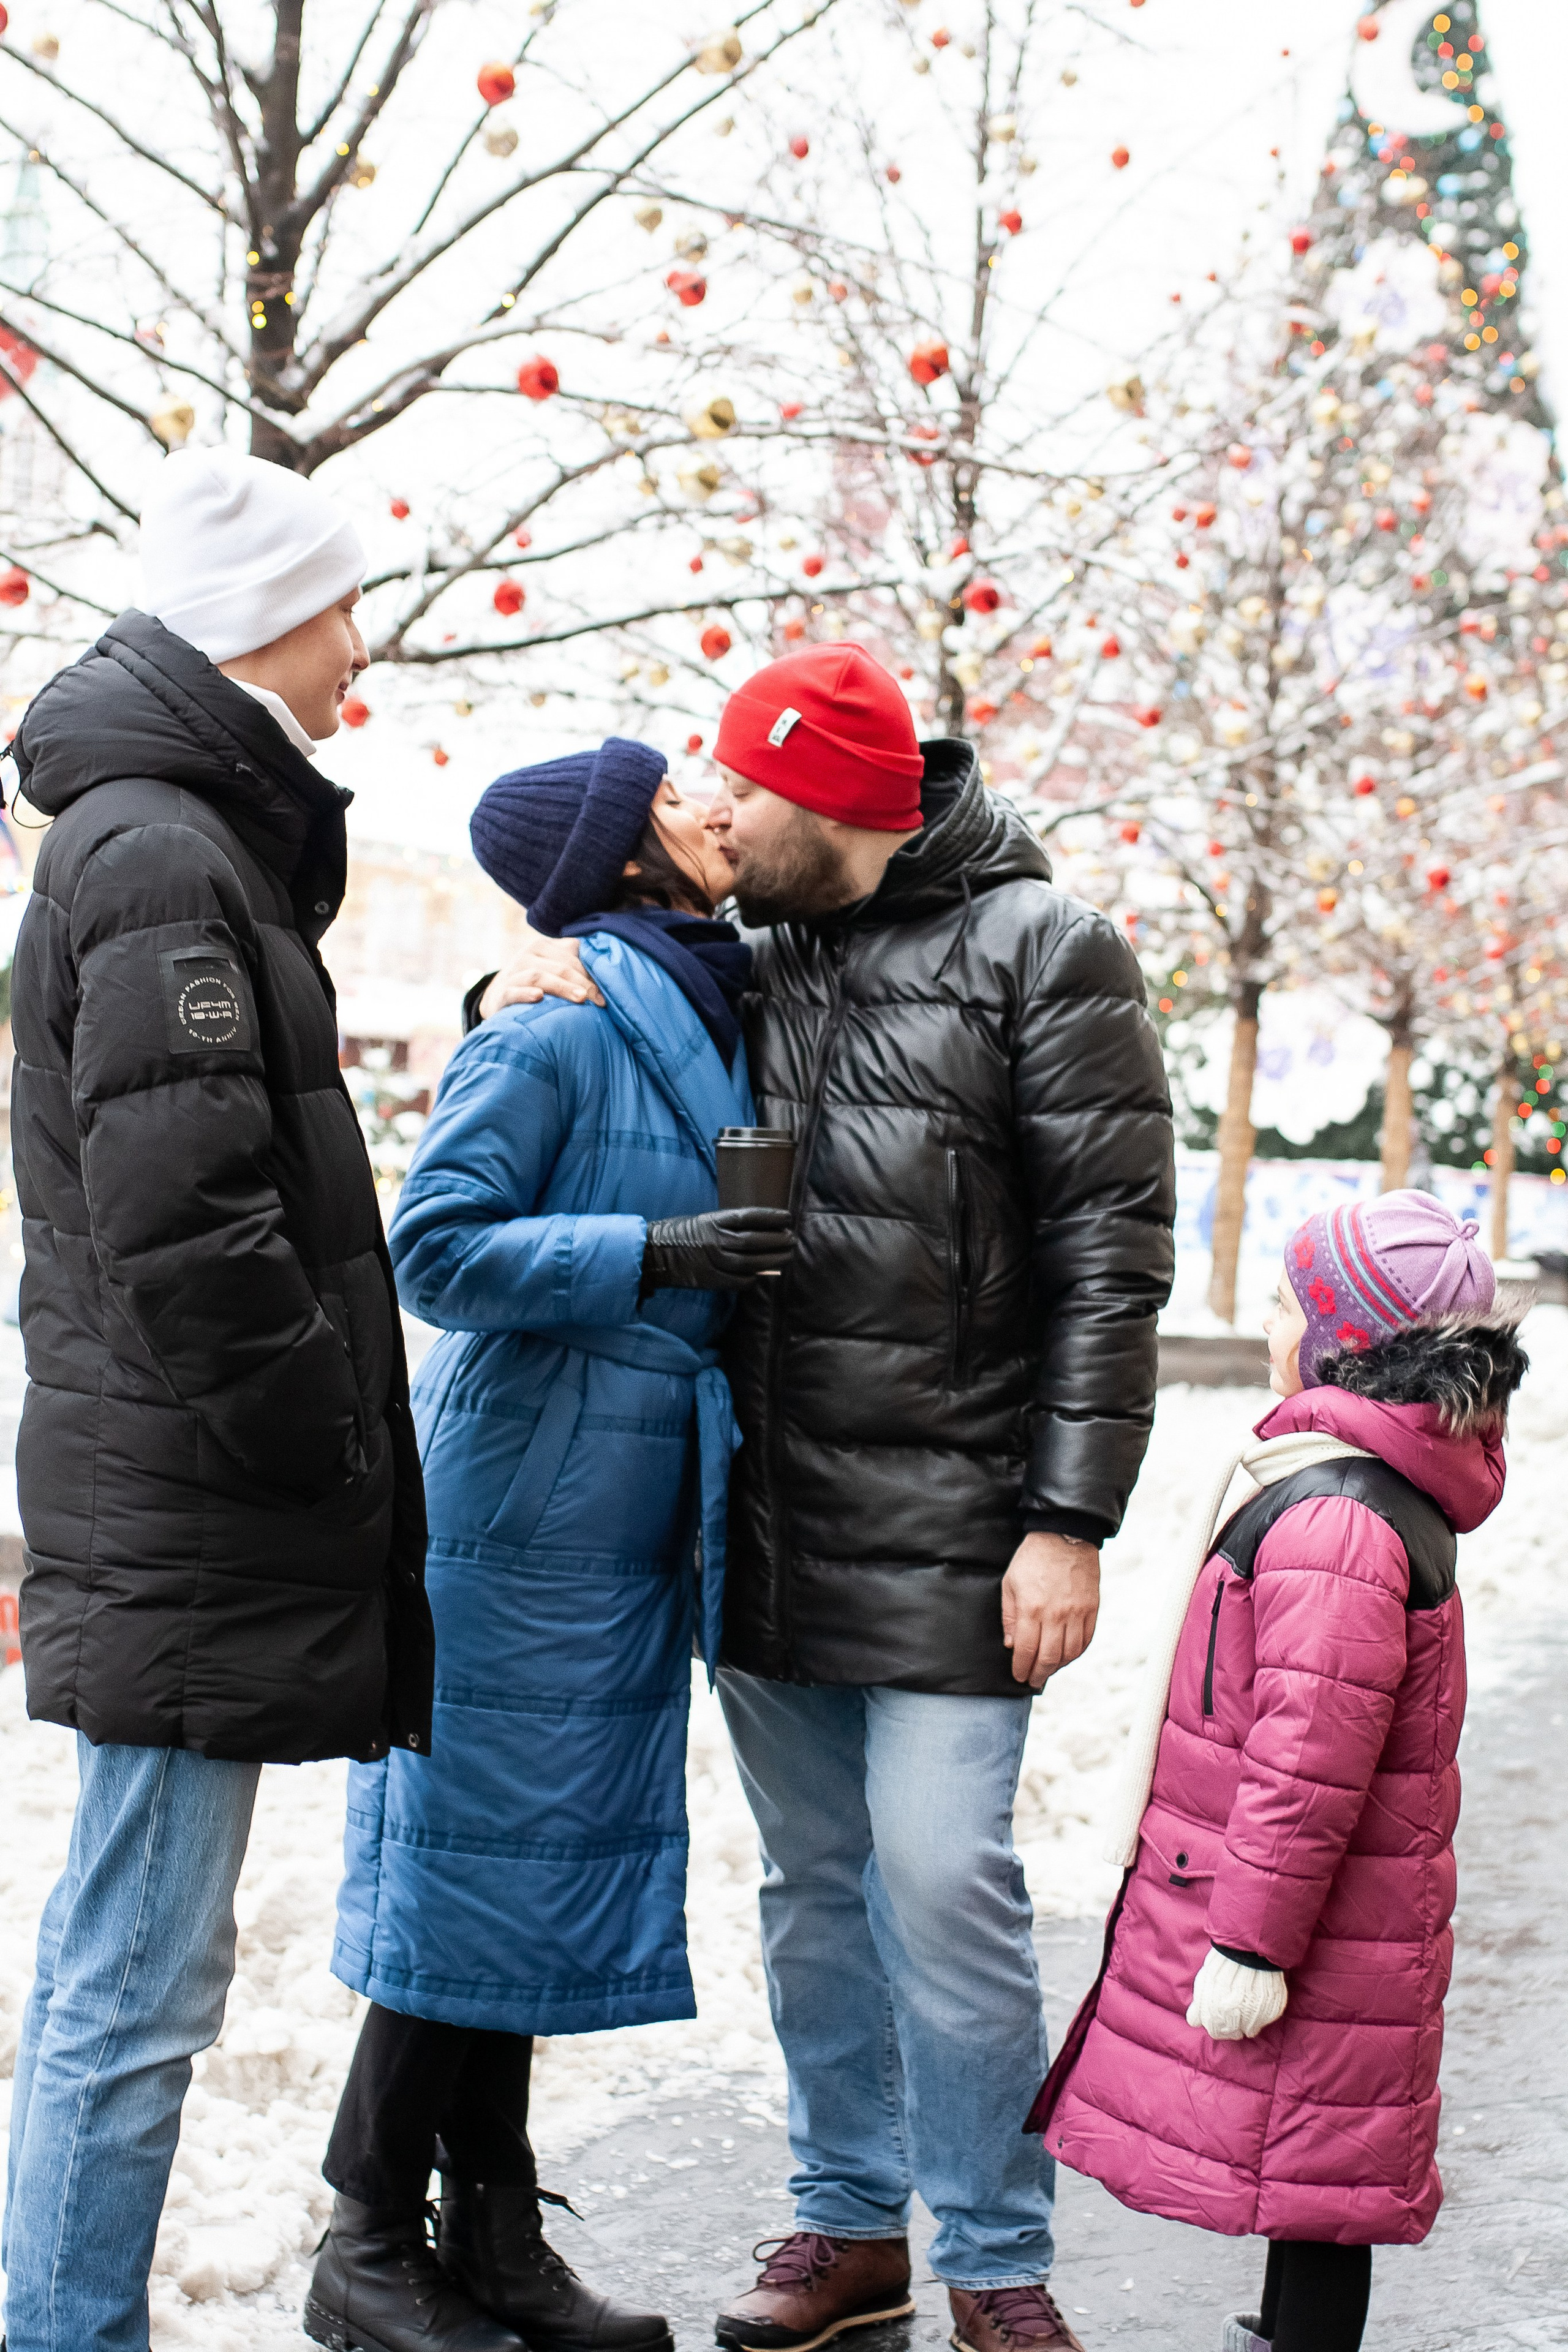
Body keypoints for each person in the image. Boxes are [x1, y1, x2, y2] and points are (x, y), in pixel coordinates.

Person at [470, 643, 1175, 2352]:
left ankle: (995, 2256)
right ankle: (847, 2225)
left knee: (942, 1879)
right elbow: (599, 1038)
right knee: (812, 1889)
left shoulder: (1048, 949)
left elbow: (1109, 1262)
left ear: (831, 802)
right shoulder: (748, 954)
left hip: (962, 1531)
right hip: (767, 1517)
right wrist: (513, 987)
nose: (713, 812)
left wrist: (1068, 1522)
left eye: (740, 786)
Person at [2, 450, 435, 2352]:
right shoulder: (162, 854)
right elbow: (188, 1218)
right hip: (196, 1497)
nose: (362, 648)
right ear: (264, 616)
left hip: (182, 1488)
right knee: (136, 1977)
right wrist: (317, 1435)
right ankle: (67, 2331)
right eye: (344, 607)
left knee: (126, 1961)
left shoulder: (174, 840)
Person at [308, 742, 793, 2352]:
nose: (716, 803)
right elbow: (433, 1248)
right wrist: (654, 1249)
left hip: (612, 1504)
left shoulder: (703, 999)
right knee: (471, 1871)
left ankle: (496, 2236)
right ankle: (364, 2242)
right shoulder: (554, 1020)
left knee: (518, 1874)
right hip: (519, 1504)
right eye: (678, 793)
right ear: (622, 857)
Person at [1030, 1192, 1525, 2352]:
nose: (1267, 1321)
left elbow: (1308, 1762)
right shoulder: (1344, 1478)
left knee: (1320, 2172)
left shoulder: (1338, 1516)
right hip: (1344, 1912)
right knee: (1312, 2173)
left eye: (1287, 1304)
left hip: (1319, 1918)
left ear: (1345, 1341)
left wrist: (1251, 1948)